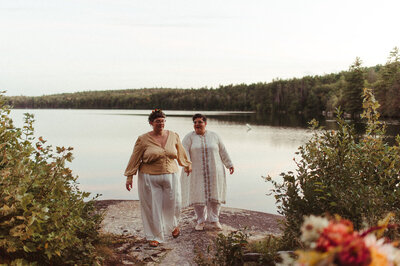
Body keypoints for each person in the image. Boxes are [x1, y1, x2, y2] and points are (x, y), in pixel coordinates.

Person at [124, 109, 191, 247]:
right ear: (151, 123)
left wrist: (186, 165)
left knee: (175, 204)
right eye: (157, 121)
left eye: (162, 121)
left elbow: (180, 152)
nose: (160, 123)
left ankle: (173, 226)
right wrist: (129, 176)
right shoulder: (143, 139)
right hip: (149, 178)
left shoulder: (173, 135)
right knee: (153, 207)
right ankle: (156, 236)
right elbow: (135, 157)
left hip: (171, 175)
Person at [180, 113, 234, 231]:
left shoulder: (214, 136)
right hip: (196, 171)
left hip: (214, 170)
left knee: (215, 194)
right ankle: (200, 220)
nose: (197, 124)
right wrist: (187, 165)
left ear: (205, 123)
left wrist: (229, 164)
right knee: (198, 195)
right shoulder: (189, 137)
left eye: (200, 122)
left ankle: (214, 219)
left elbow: (222, 151)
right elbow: (184, 152)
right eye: (195, 122)